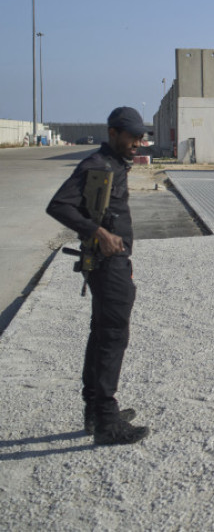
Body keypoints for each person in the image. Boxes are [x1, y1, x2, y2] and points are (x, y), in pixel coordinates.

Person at [46, 107, 150, 446]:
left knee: (101, 333)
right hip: (107, 264)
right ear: (113, 133)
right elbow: (59, 205)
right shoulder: (97, 165)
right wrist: (99, 233)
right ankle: (107, 421)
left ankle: (95, 410)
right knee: (112, 336)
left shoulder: (115, 164)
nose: (138, 142)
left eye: (140, 137)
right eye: (132, 136)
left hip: (113, 262)